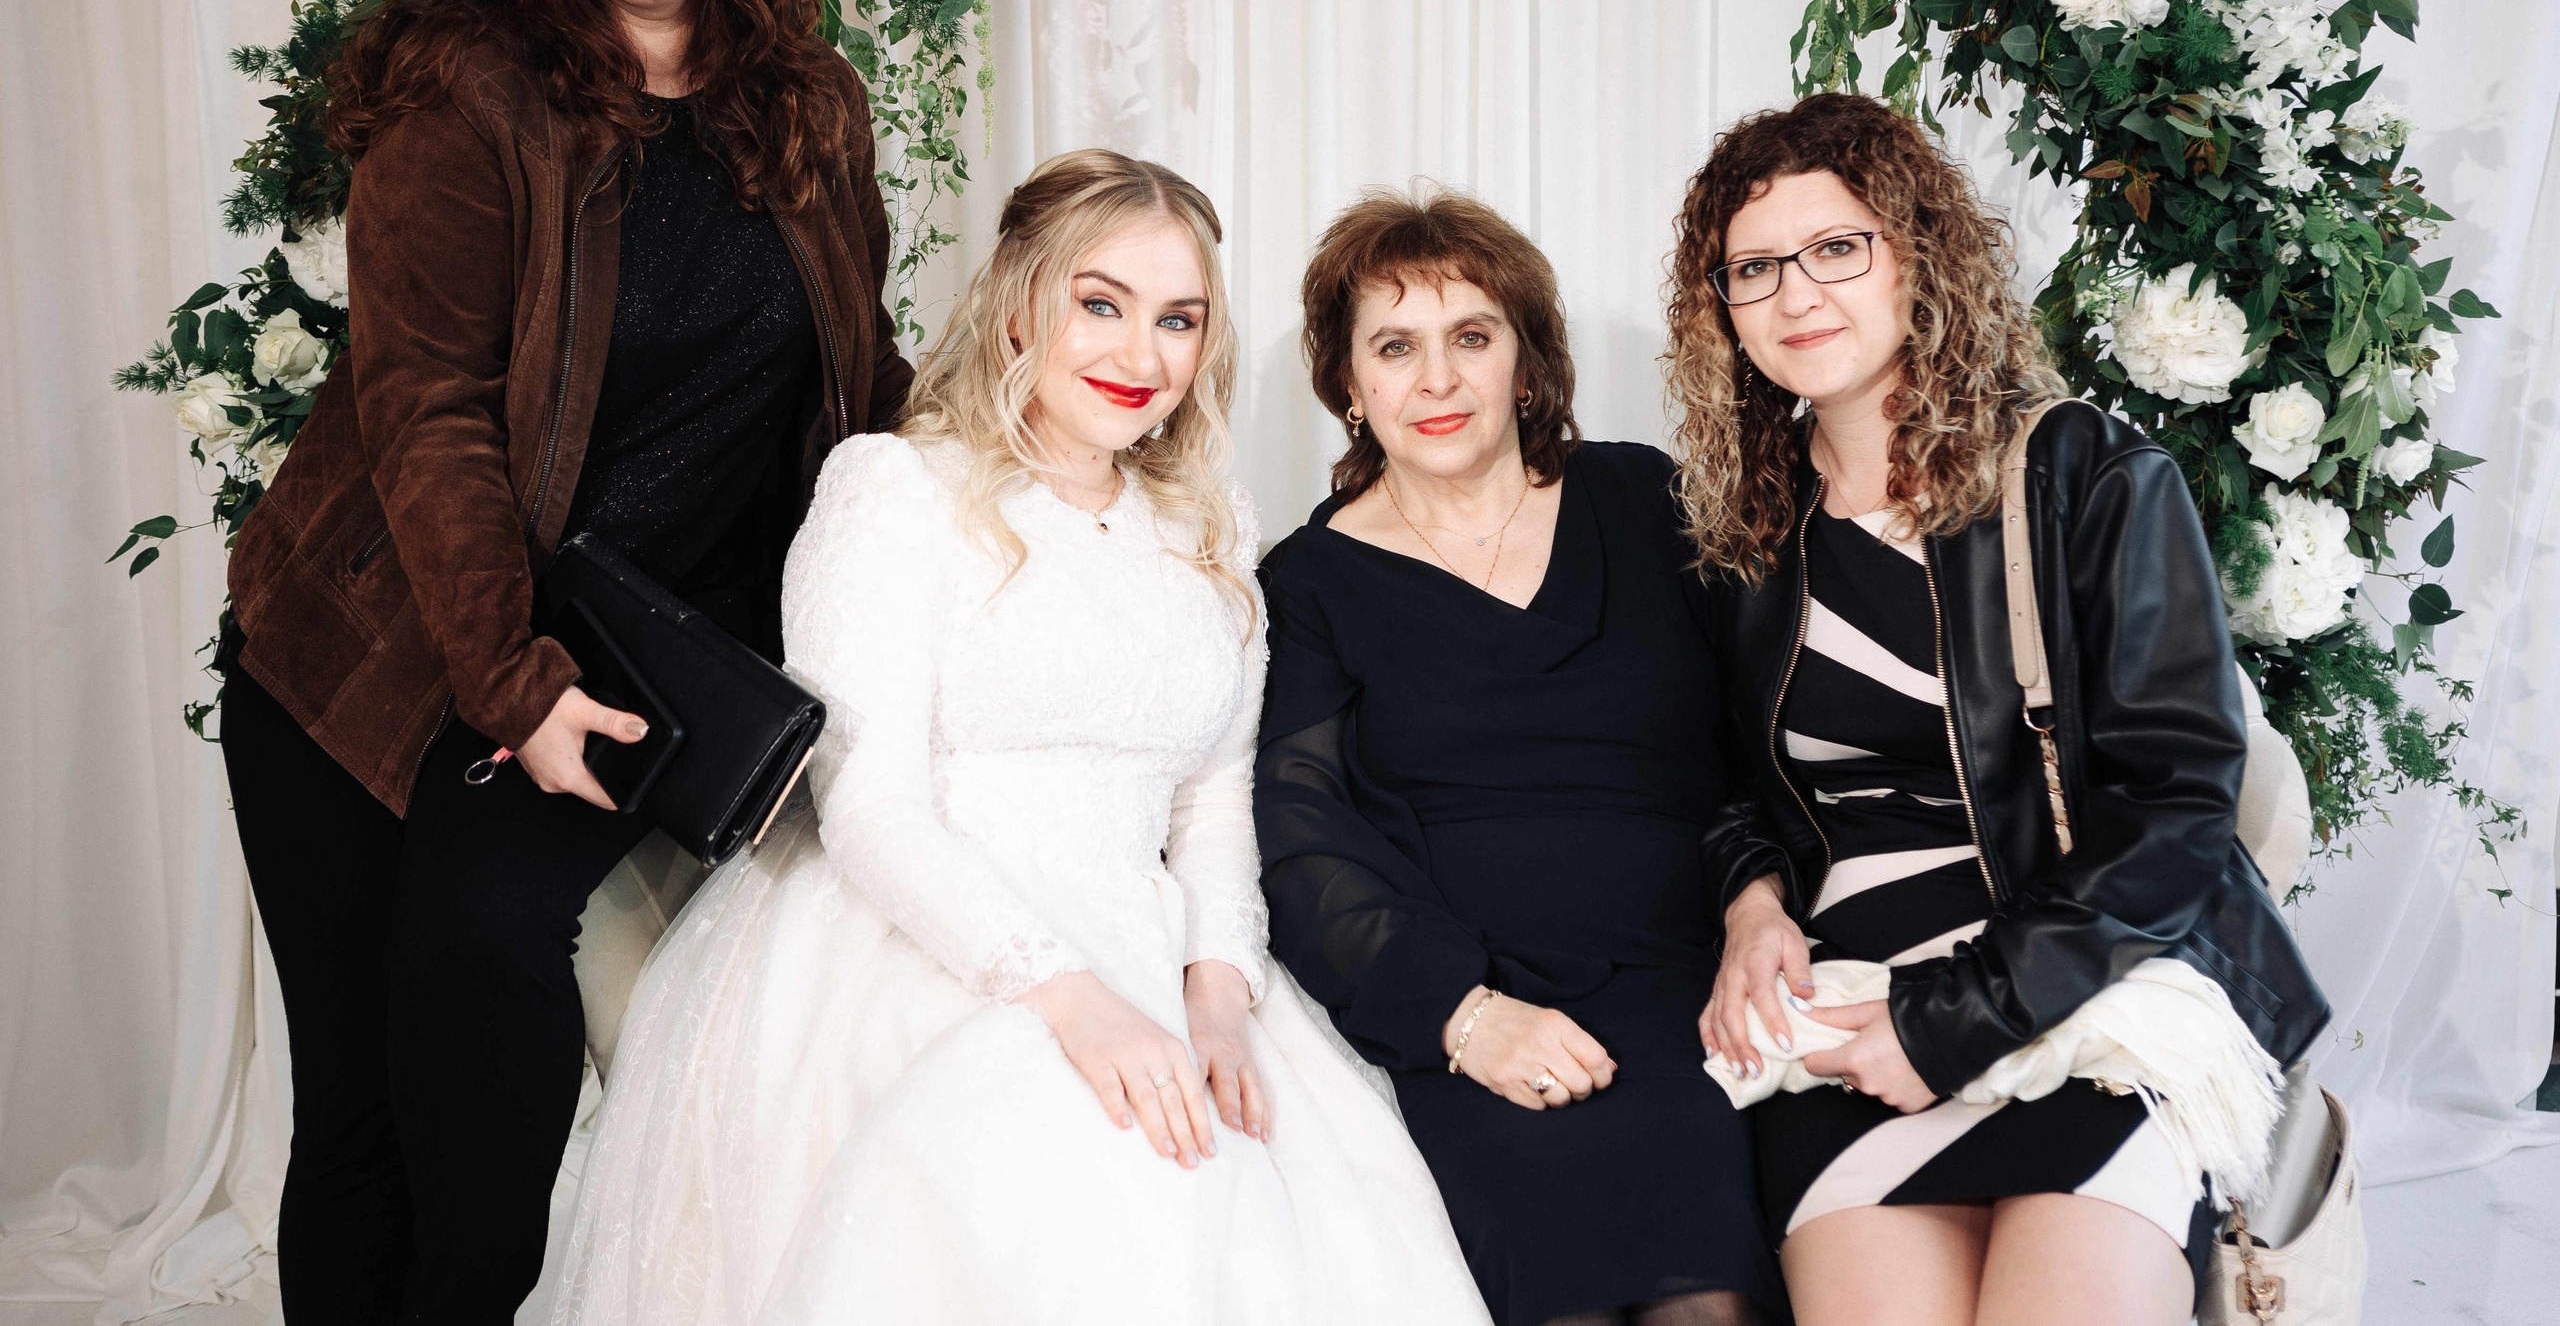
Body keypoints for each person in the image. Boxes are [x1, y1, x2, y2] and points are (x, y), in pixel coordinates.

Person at [213, 0, 912, 1321]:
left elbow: (856, 375)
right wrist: (512, 682)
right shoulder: (470, 96)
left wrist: (1008, 492)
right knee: (367, 1115)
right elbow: (431, 413)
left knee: (493, 1086)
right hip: (377, 655)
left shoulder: (808, 102)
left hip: (622, 660)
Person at [550, 150, 1491, 1326]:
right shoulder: (894, 489)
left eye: (1177, 320)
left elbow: (1211, 799)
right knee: (1084, 1181)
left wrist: (1218, 993)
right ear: (1017, 305)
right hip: (918, 930)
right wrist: (1068, 998)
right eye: (1100, 304)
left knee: (1296, 1194)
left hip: (1143, 925)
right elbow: (866, 802)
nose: (1141, 358)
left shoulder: (1208, 523)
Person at [1666, 93, 2329, 1326]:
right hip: (1849, 1004)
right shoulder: (1741, 537)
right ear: (1721, 307)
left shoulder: (2088, 475)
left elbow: (2177, 808)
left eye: (1836, 248)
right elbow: (1713, 780)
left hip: (2082, 984)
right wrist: (1751, 895)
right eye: (1753, 268)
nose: (1795, 295)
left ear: (1915, 253)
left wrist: (1959, 1016)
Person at [1255, 188, 1784, 1326]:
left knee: (1709, 1295)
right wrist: (1462, 1017)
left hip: (1680, 987)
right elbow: (1301, 843)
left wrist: (1756, 904)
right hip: (1467, 999)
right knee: (1559, 1292)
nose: (1434, 380)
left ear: (1527, 365)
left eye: (1471, 338)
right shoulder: (1305, 584)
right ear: (1348, 385)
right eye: (1394, 346)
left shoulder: (1649, 500)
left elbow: (1765, 744)